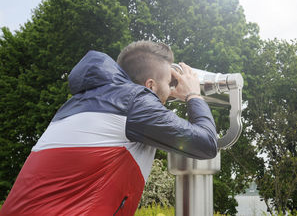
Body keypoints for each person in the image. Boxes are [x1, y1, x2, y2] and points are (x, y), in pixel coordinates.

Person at [0, 40, 218, 215]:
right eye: (168, 83)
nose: (170, 91)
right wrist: (193, 94)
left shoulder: (76, 104)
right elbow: (206, 143)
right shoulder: (135, 102)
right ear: (150, 85)